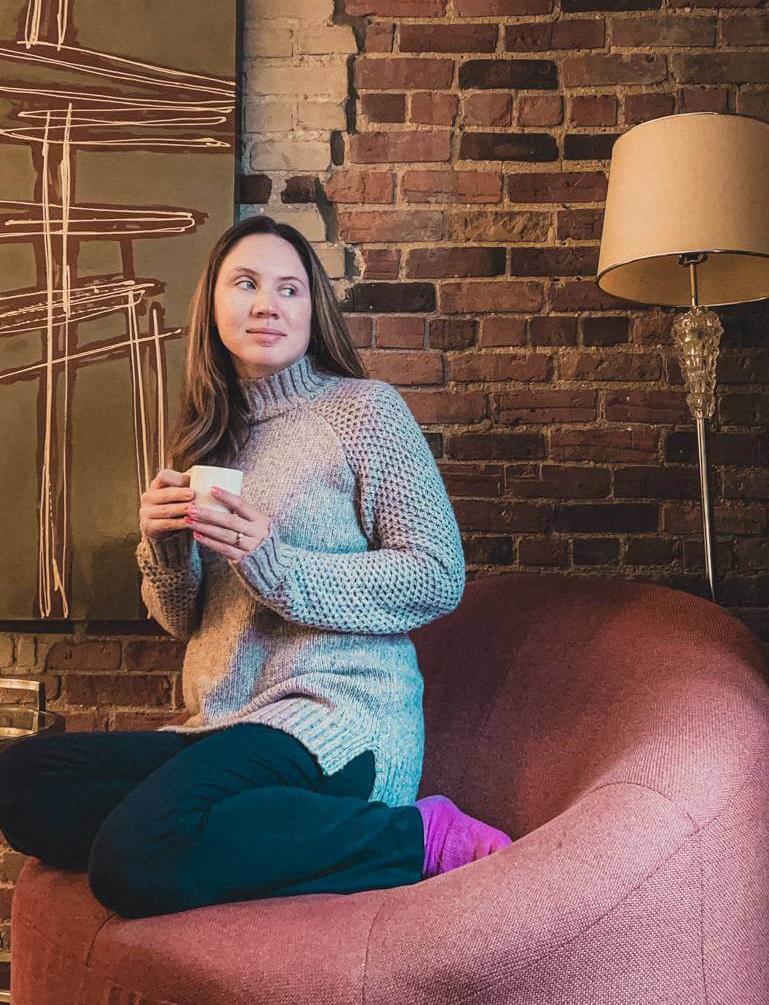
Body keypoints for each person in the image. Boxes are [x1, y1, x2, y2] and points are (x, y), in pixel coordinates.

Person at [0, 215, 512, 919]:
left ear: (312, 312)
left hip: (338, 718)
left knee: (134, 858)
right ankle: (221, 830)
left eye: (290, 289)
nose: (267, 303)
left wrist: (275, 562)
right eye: (245, 283)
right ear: (212, 304)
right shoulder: (208, 441)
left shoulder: (364, 413)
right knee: (21, 784)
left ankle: (413, 834)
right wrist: (167, 550)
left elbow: (435, 576)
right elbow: (188, 623)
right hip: (225, 723)